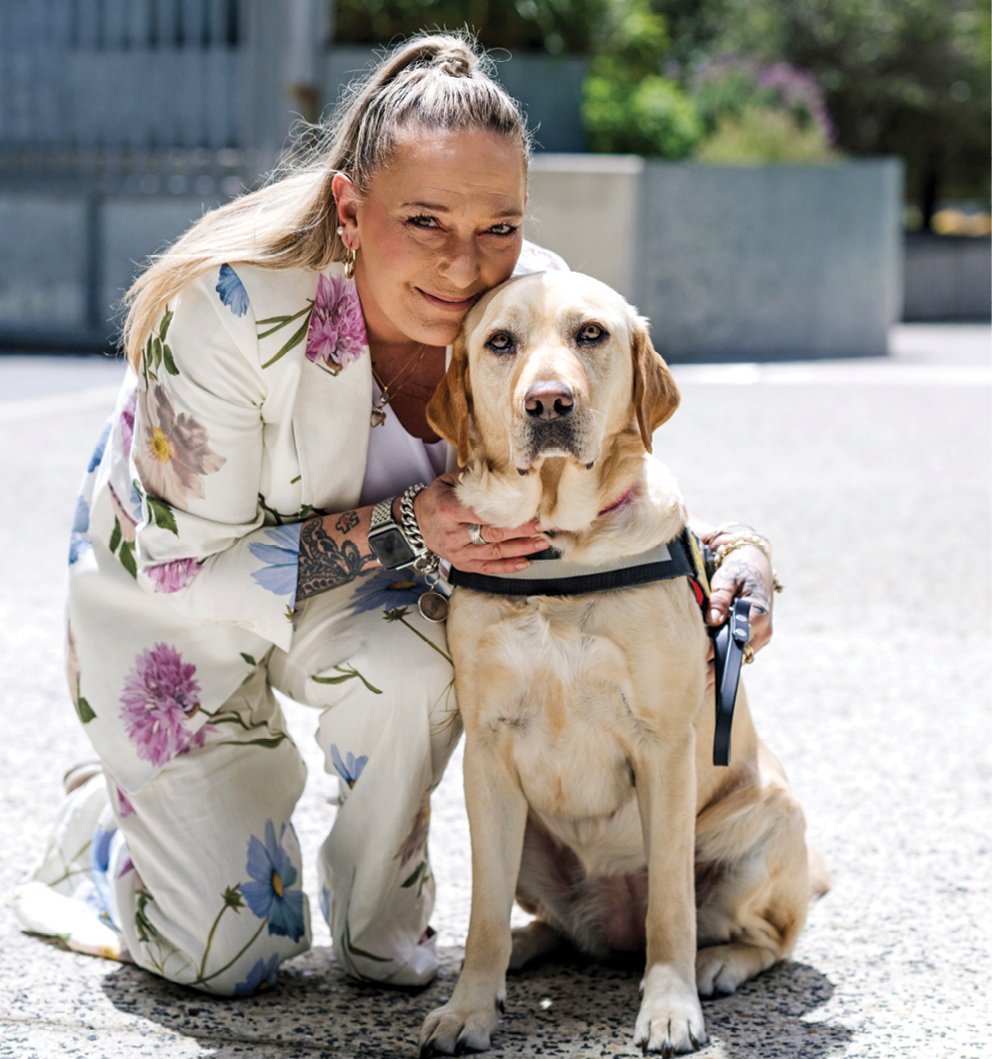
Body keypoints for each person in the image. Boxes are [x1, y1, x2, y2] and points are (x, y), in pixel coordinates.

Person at [14, 32, 776, 997]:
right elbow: (180, 569)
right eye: (425, 221)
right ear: (350, 209)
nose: (465, 265)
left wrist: (734, 554)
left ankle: (377, 911)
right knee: (226, 956)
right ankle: (107, 824)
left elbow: (600, 481)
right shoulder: (224, 309)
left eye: (499, 225)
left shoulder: (523, 304)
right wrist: (405, 526)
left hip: (355, 597)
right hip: (174, 597)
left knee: (425, 679)